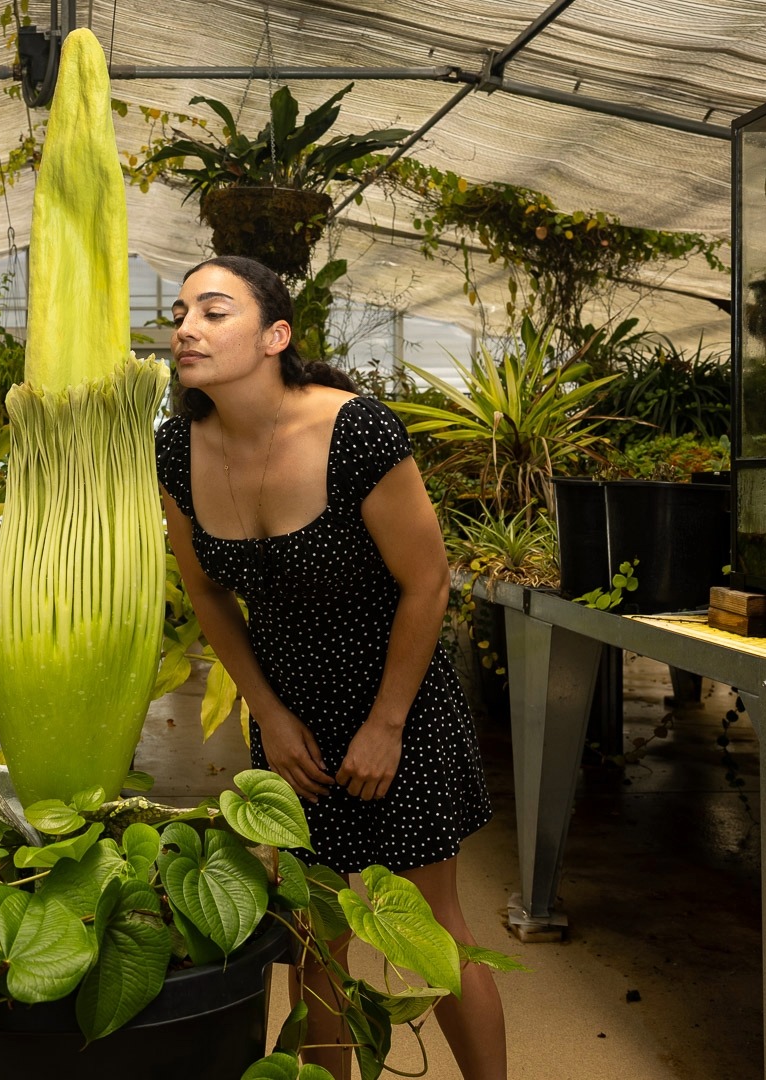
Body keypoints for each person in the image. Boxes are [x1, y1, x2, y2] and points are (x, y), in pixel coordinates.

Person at [155, 255, 506, 1079]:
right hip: (290, 723)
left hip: (399, 701)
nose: (186, 328)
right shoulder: (177, 449)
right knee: (315, 934)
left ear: (276, 336)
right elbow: (208, 597)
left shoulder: (356, 430)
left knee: (431, 921)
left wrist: (387, 725)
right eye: (180, 312)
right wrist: (269, 718)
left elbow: (428, 581)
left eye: (212, 311)